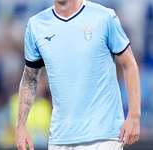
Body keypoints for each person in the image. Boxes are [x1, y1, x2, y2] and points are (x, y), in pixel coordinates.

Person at [16, 0, 141, 150]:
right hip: (60, 139)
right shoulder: (36, 25)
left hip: (103, 137)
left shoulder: (104, 17)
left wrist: (134, 116)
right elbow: (30, 78)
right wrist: (20, 126)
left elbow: (129, 64)